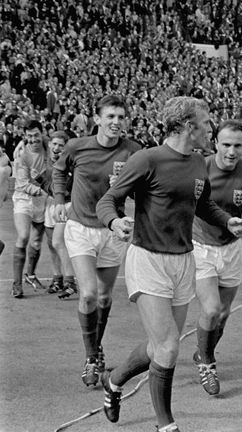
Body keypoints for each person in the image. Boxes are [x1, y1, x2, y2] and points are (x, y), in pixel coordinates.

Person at [95, 97, 242, 432]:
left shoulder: (197, 163)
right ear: (188, 126)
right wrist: (115, 222)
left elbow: (203, 204)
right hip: (148, 259)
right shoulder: (147, 159)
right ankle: (166, 425)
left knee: (160, 347)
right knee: (167, 348)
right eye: (206, 122)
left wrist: (228, 221)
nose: (210, 127)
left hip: (184, 261)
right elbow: (109, 200)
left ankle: (115, 380)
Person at [53, 95, 143, 387]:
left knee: (104, 297)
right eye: (110, 116)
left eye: (121, 117)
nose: (116, 122)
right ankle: (91, 357)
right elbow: (58, 171)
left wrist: (129, 191)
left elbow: (141, 189)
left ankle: (96, 348)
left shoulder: (133, 151)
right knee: (89, 293)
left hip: (113, 231)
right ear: (97, 118)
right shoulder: (77, 146)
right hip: (80, 228)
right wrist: (58, 199)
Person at [191, 120, 242, 396]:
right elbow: (190, 204)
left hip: (232, 249)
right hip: (201, 246)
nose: (231, 151)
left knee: (223, 315)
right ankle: (207, 364)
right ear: (215, 142)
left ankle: (203, 351)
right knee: (212, 309)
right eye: (226, 144)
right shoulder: (199, 167)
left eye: (237, 146)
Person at [10, 120, 49, 298]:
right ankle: (16, 284)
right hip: (24, 198)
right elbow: (24, 184)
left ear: (42, 134)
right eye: (29, 136)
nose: (33, 139)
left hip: (42, 200)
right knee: (24, 236)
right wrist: (46, 190)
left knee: (36, 242)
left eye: (36, 135)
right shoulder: (22, 156)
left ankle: (30, 275)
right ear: (25, 136)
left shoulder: (49, 149)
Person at [39, 131, 76, 294]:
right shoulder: (46, 162)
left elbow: (62, 190)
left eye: (61, 145)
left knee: (58, 242)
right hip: (50, 207)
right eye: (54, 144)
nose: (56, 147)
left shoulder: (70, 164)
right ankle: (57, 279)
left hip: (66, 206)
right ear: (49, 144)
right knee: (51, 244)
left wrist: (44, 184)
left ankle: (70, 281)